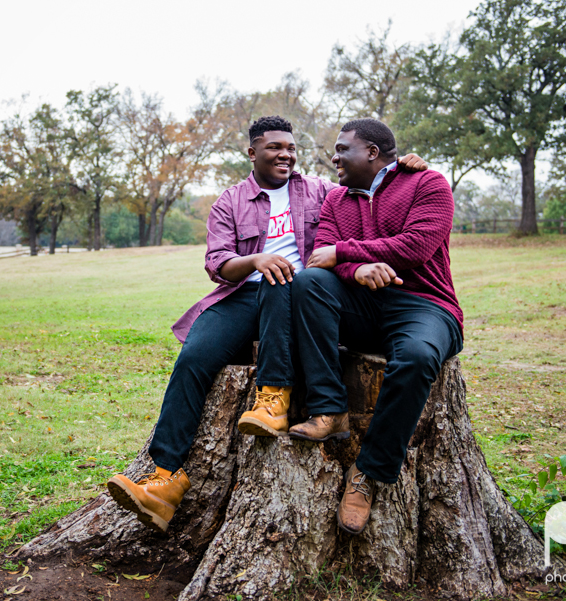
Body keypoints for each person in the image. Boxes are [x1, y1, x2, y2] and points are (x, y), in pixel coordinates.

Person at [106, 116, 426, 533]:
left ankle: (272, 398)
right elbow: (217, 262)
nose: (285, 154)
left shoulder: (319, 190)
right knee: (193, 359)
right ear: (252, 152)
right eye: (275, 147)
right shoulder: (231, 201)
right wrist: (256, 260)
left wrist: (401, 167)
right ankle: (164, 478)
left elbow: (370, 185)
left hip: (304, 297)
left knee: (284, 279)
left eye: (291, 148)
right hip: (243, 296)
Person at [288, 118, 464, 535]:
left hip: (425, 304)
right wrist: (359, 269)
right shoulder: (336, 200)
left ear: (370, 151)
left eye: (341, 148)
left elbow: (416, 245)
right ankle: (329, 408)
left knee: (419, 357)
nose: (334, 157)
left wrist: (345, 254)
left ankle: (369, 473)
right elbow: (319, 258)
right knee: (309, 283)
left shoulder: (428, 183)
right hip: (363, 306)